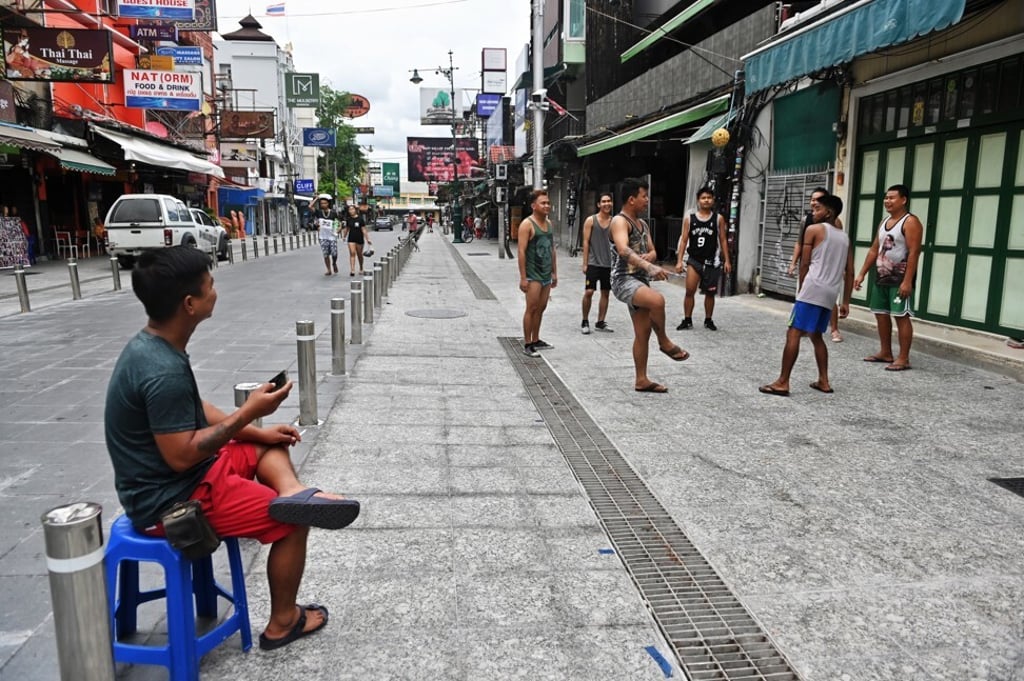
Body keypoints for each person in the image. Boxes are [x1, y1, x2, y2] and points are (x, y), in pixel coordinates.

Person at [104, 247, 360, 651]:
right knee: (292, 525)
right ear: (190, 304)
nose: (215, 292)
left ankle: (292, 492)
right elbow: (181, 455)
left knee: (266, 450)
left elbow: (196, 410)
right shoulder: (161, 369)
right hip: (170, 501)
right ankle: (282, 622)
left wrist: (258, 431)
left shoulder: (155, 345)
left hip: (186, 476)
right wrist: (246, 416)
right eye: (210, 286)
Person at [759, 195, 853, 396]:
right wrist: (846, 301)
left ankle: (783, 382)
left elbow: (805, 263)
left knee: (793, 332)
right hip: (830, 292)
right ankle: (824, 381)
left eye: (817, 208)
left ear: (828, 212)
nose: (813, 212)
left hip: (812, 288)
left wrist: (801, 290)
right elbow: (850, 271)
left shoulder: (814, 230)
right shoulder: (844, 237)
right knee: (816, 335)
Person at [610, 178, 689, 393]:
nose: (647, 201)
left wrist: (650, 258)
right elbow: (623, 250)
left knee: (643, 332)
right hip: (623, 279)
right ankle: (664, 341)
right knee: (657, 300)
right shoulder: (620, 221)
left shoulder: (643, 224)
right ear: (631, 199)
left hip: (640, 280)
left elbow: (654, 250)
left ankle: (641, 379)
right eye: (644, 196)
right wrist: (649, 266)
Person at [853, 184, 923, 372]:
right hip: (881, 277)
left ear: (903, 200)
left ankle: (903, 358)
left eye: (892, 198)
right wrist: (862, 273)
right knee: (881, 314)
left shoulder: (910, 222)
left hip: (900, 280)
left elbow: (914, 252)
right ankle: (885, 352)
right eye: (886, 198)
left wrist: (907, 281)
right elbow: (874, 249)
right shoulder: (884, 222)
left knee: (901, 316)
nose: (887, 201)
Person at [788, 187, 844, 342]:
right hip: (811, 266)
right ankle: (807, 327)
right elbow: (799, 244)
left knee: (829, 300)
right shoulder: (806, 221)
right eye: (812, 199)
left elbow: (837, 244)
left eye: (818, 200)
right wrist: (793, 263)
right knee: (808, 298)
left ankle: (834, 329)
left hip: (825, 268)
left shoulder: (835, 223)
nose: (814, 203)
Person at [674, 187, 732, 331]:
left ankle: (708, 319)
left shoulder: (718, 219)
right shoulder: (690, 219)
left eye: (709, 198)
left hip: (712, 261)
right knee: (689, 291)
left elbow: (723, 240)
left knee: (710, 293)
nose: (706, 200)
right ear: (698, 200)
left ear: (713, 200)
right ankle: (687, 319)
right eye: (703, 198)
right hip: (694, 260)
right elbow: (683, 240)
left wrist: (727, 260)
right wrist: (679, 260)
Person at [518, 189, 558, 357]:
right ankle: (528, 343)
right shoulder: (527, 224)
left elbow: (552, 249)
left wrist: (555, 272)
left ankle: (536, 339)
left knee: (541, 308)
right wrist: (523, 278)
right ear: (534, 206)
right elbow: (521, 251)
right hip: (533, 275)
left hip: (546, 274)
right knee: (531, 308)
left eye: (548, 203)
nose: (547, 205)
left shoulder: (549, 224)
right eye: (543, 203)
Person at [580, 192, 615, 335]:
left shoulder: (615, 222)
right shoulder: (590, 220)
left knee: (605, 293)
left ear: (611, 203)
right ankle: (585, 320)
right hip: (594, 263)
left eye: (609, 201)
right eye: (603, 201)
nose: (606, 204)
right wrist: (585, 263)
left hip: (609, 264)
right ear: (598, 204)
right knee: (589, 291)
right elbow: (586, 241)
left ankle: (600, 322)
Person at [341, 204, 372, 276]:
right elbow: (347, 229)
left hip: (359, 238)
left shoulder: (360, 219)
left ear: (355, 210)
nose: (351, 211)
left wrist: (368, 239)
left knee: (359, 254)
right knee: (352, 253)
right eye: (350, 210)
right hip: (351, 238)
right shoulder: (348, 219)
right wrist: (344, 236)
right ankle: (352, 270)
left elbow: (364, 230)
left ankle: (361, 267)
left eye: (352, 209)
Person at [311, 197, 339, 276]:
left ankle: (334, 263)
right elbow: (310, 206)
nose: (323, 204)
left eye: (324, 203)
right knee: (325, 254)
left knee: (334, 253)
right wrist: (316, 198)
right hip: (323, 237)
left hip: (332, 236)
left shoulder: (333, 213)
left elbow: (337, 223)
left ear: (328, 204)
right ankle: (329, 269)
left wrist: (337, 230)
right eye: (321, 203)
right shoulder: (319, 212)